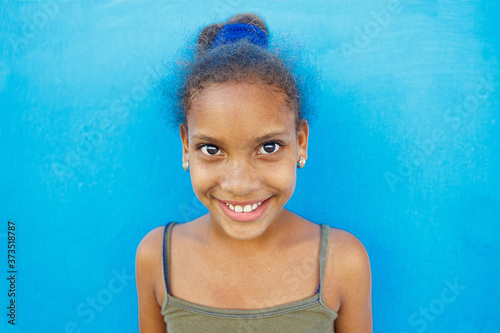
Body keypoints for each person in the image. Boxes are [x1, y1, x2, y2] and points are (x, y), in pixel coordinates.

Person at [136, 13, 372, 333]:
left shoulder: (344, 261)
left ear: (300, 143)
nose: (240, 185)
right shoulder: (156, 257)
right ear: (185, 147)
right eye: (211, 149)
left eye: (269, 147)